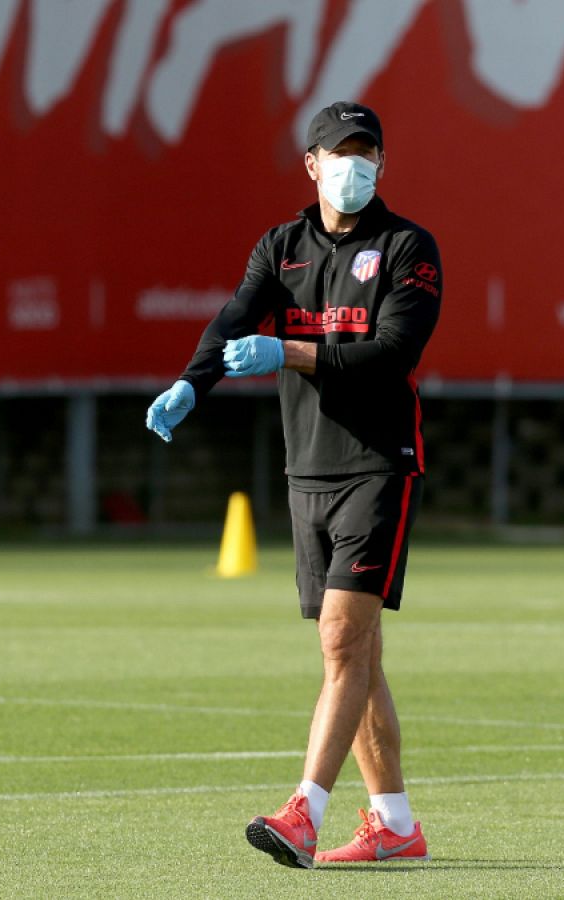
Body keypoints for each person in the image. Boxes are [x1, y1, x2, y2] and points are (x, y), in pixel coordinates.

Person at [145, 100, 442, 868]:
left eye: (365, 152)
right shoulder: (282, 247)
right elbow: (234, 317)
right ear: (310, 164)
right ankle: (396, 824)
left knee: (344, 640)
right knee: (356, 653)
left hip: (379, 463)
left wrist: (289, 354)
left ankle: (304, 812)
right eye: (338, 153)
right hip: (305, 467)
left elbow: (390, 352)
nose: (353, 166)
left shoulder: (409, 246)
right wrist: (192, 383)